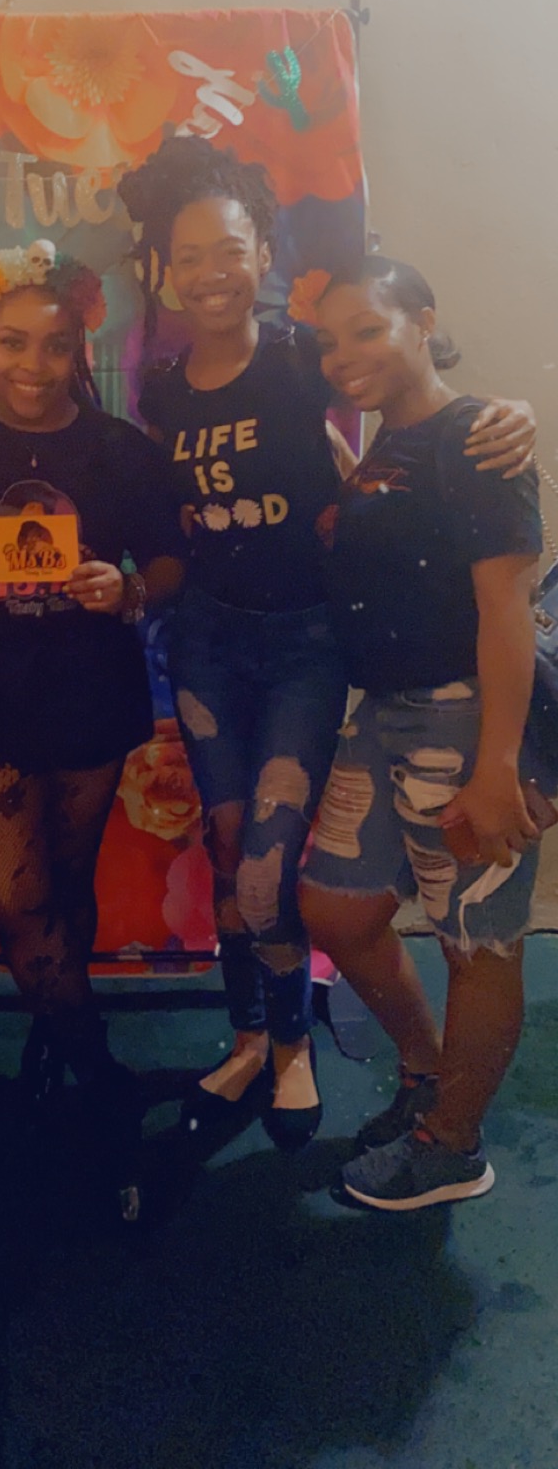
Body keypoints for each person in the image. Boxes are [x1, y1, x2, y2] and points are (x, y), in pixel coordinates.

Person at [117, 137, 535, 1150]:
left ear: (264, 255)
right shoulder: (160, 388)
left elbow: (411, 401)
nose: (211, 273)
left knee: (270, 864)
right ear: (164, 271)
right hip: (208, 643)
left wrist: (509, 413)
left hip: (307, 645)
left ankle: (298, 1045)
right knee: (231, 854)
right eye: (188, 256)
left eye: (230, 250)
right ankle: (255, 1036)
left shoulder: (309, 357)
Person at [0, 245, 184, 1219]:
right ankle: (101, 1079)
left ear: (81, 349)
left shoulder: (121, 451)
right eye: (13, 342)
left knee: (67, 887)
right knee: (21, 899)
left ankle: (51, 1031)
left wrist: (130, 587)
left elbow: (169, 559)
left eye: (56, 345)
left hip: (89, 696)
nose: (33, 365)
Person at [299, 257, 545, 1209]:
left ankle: (454, 1147)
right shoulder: (379, 447)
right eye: (329, 340)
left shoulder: (475, 435)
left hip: (464, 717)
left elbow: (507, 607)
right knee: (336, 912)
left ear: (425, 322)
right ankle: (430, 1071)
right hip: (385, 715)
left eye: (368, 328)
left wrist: (498, 766)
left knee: (475, 940)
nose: (344, 355)